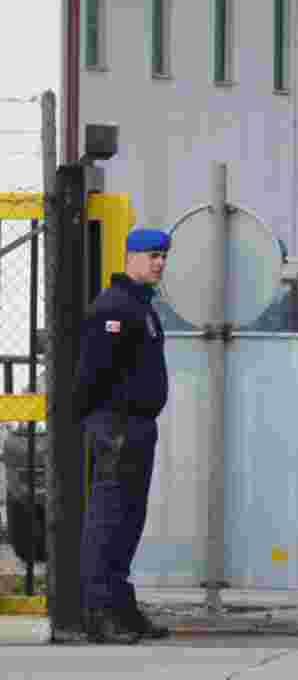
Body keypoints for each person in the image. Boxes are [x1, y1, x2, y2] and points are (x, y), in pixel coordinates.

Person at [73, 228, 173, 643]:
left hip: (136, 427)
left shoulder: (140, 306)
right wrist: (97, 422)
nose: (160, 263)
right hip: (116, 426)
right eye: (152, 255)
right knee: (108, 520)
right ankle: (99, 612)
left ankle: (120, 605)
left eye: (164, 255)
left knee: (129, 522)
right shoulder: (113, 308)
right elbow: (90, 375)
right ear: (129, 256)